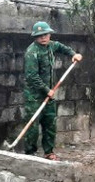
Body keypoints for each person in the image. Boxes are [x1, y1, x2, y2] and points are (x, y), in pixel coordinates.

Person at [23, 21, 82, 161]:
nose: (43, 38)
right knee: (32, 126)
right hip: (34, 96)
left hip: (49, 94)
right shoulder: (32, 53)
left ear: (49, 34)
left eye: (46, 35)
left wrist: (73, 54)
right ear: (35, 37)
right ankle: (30, 154)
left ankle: (49, 152)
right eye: (40, 36)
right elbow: (32, 76)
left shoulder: (51, 45)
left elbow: (62, 47)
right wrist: (46, 90)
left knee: (50, 123)